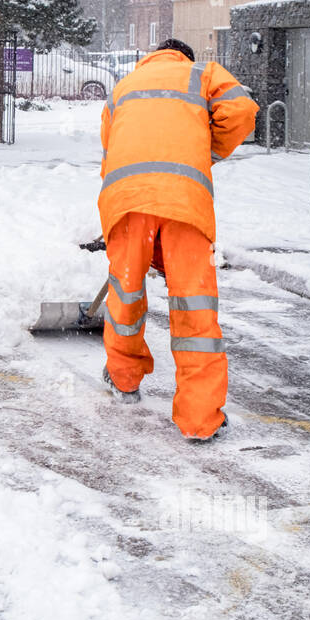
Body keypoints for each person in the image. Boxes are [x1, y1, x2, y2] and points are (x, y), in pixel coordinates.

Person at [98, 38, 258, 441]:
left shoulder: (124, 86)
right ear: (184, 56)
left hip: (125, 197)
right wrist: (207, 150)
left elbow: (109, 146)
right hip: (185, 199)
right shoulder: (203, 74)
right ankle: (200, 418)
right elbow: (241, 110)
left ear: (151, 56)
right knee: (194, 304)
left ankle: (124, 379)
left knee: (126, 293)